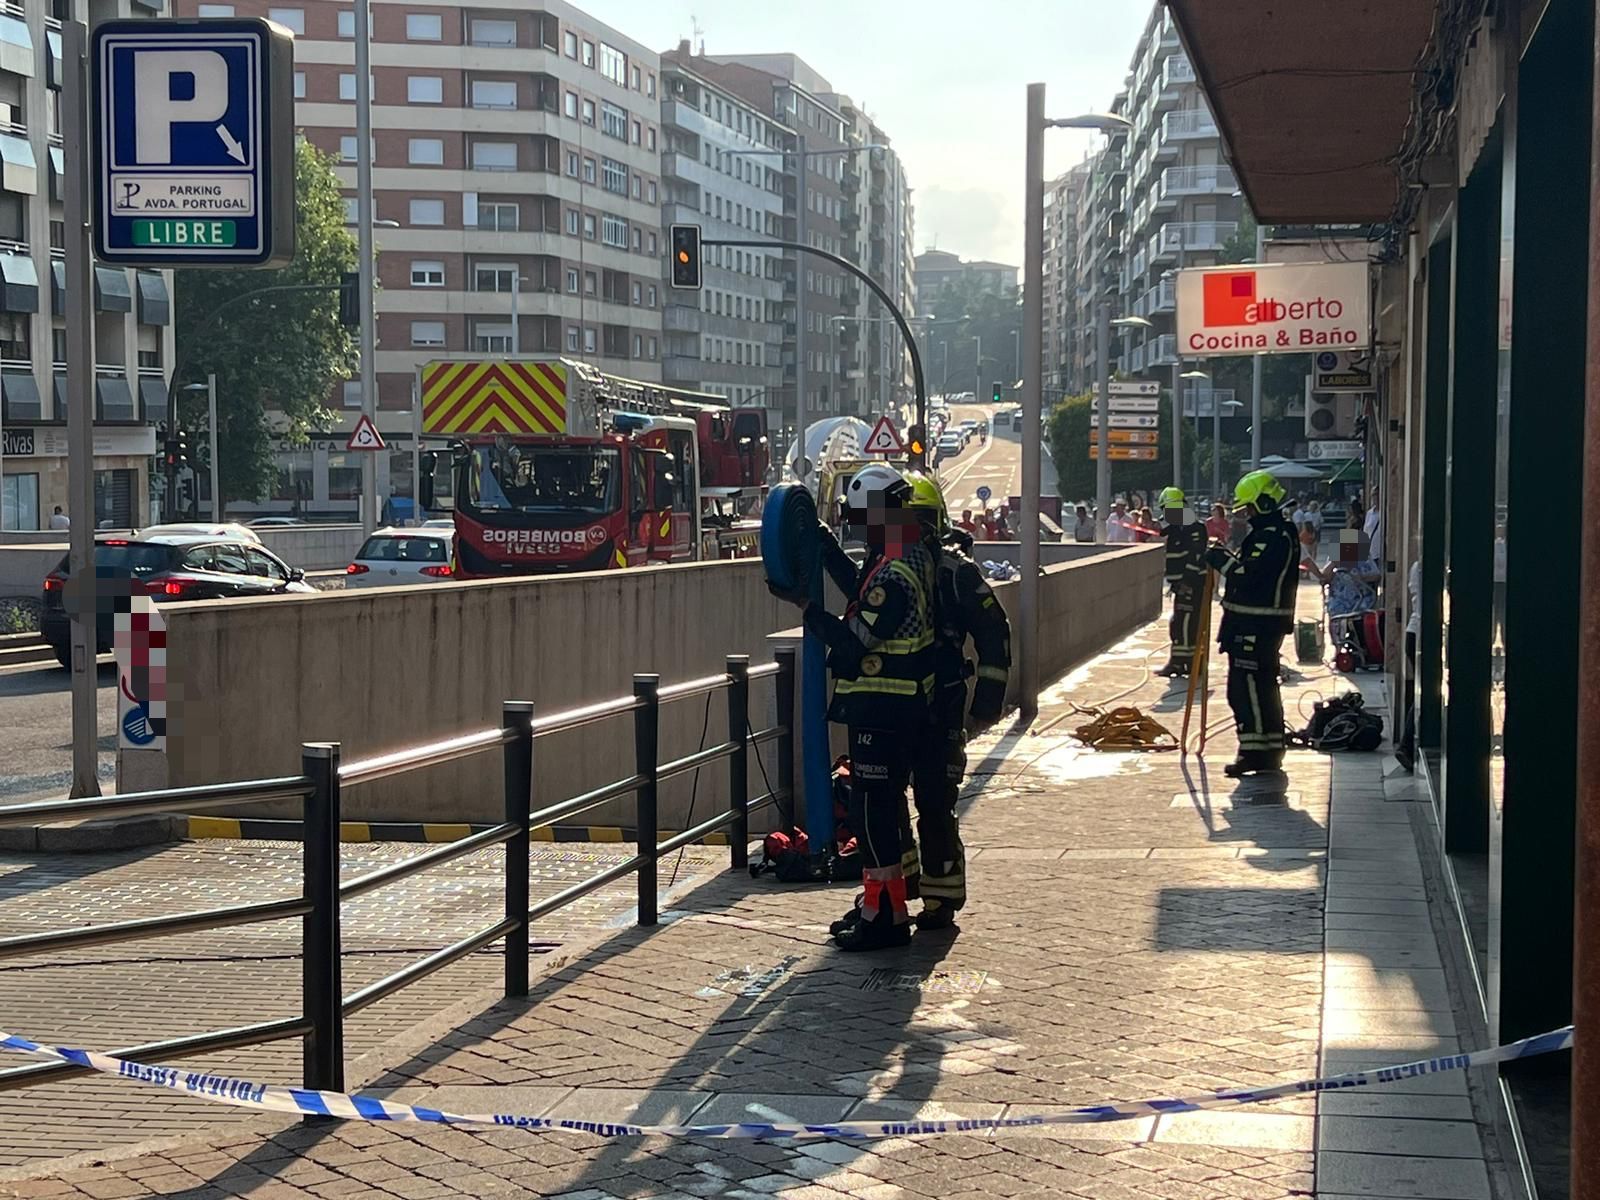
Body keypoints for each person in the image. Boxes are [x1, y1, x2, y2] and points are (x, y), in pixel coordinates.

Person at [799, 463, 938, 951]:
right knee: (876, 811)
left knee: (874, 814)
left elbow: (858, 639)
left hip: (884, 709)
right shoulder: (903, 552)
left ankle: (886, 918)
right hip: (894, 708)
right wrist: (825, 546)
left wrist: (810, 613)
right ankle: (881, 907)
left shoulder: (896, 572)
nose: (857, 527)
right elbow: (860, 585)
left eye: (860, 518)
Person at [896, 473, 1012, 928]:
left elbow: (994, 634)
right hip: (894, 705)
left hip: (940, 704)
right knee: (885, 799)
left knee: (934, 802)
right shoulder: (885, 568)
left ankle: (940, 897)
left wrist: (987, 704)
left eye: (918, 521)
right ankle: (899, 887)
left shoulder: (955, 571)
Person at [1205, 470, 1299, 777]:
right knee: (1259, 686)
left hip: (1257, 625)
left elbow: (1250, 575)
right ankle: (1268, 749)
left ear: (1262, 504)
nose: (1246, 516)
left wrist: (1221, 560)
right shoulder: (1275, 533)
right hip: (1251, 623)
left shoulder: (1273, 536)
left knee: (1246, 689)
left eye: (1249, 509)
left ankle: (1255, 752)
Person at [1157, 487, 1208, 678]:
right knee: (1178, 624)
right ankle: (1178, 662)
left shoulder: (1195, 528)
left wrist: (1187, 581)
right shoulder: (1178, 528)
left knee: (1189, 625)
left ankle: (1192, 663)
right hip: (1181, 586)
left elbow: (1196, 558)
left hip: (1192, 586)